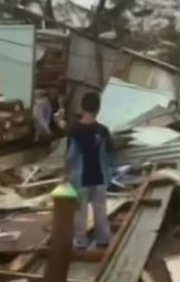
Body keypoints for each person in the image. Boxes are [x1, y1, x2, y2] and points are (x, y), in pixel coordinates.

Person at [66, 92, 112, 249]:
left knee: (80, 212)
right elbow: (107, 154)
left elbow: (70, 156)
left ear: (82, 107)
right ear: (98, 109)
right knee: (100, 210)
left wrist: (66, 175)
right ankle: (103, 240)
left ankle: (81, 242)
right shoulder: (103, 130)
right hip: (99, 176)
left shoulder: (74, 130)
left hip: (80, 178)